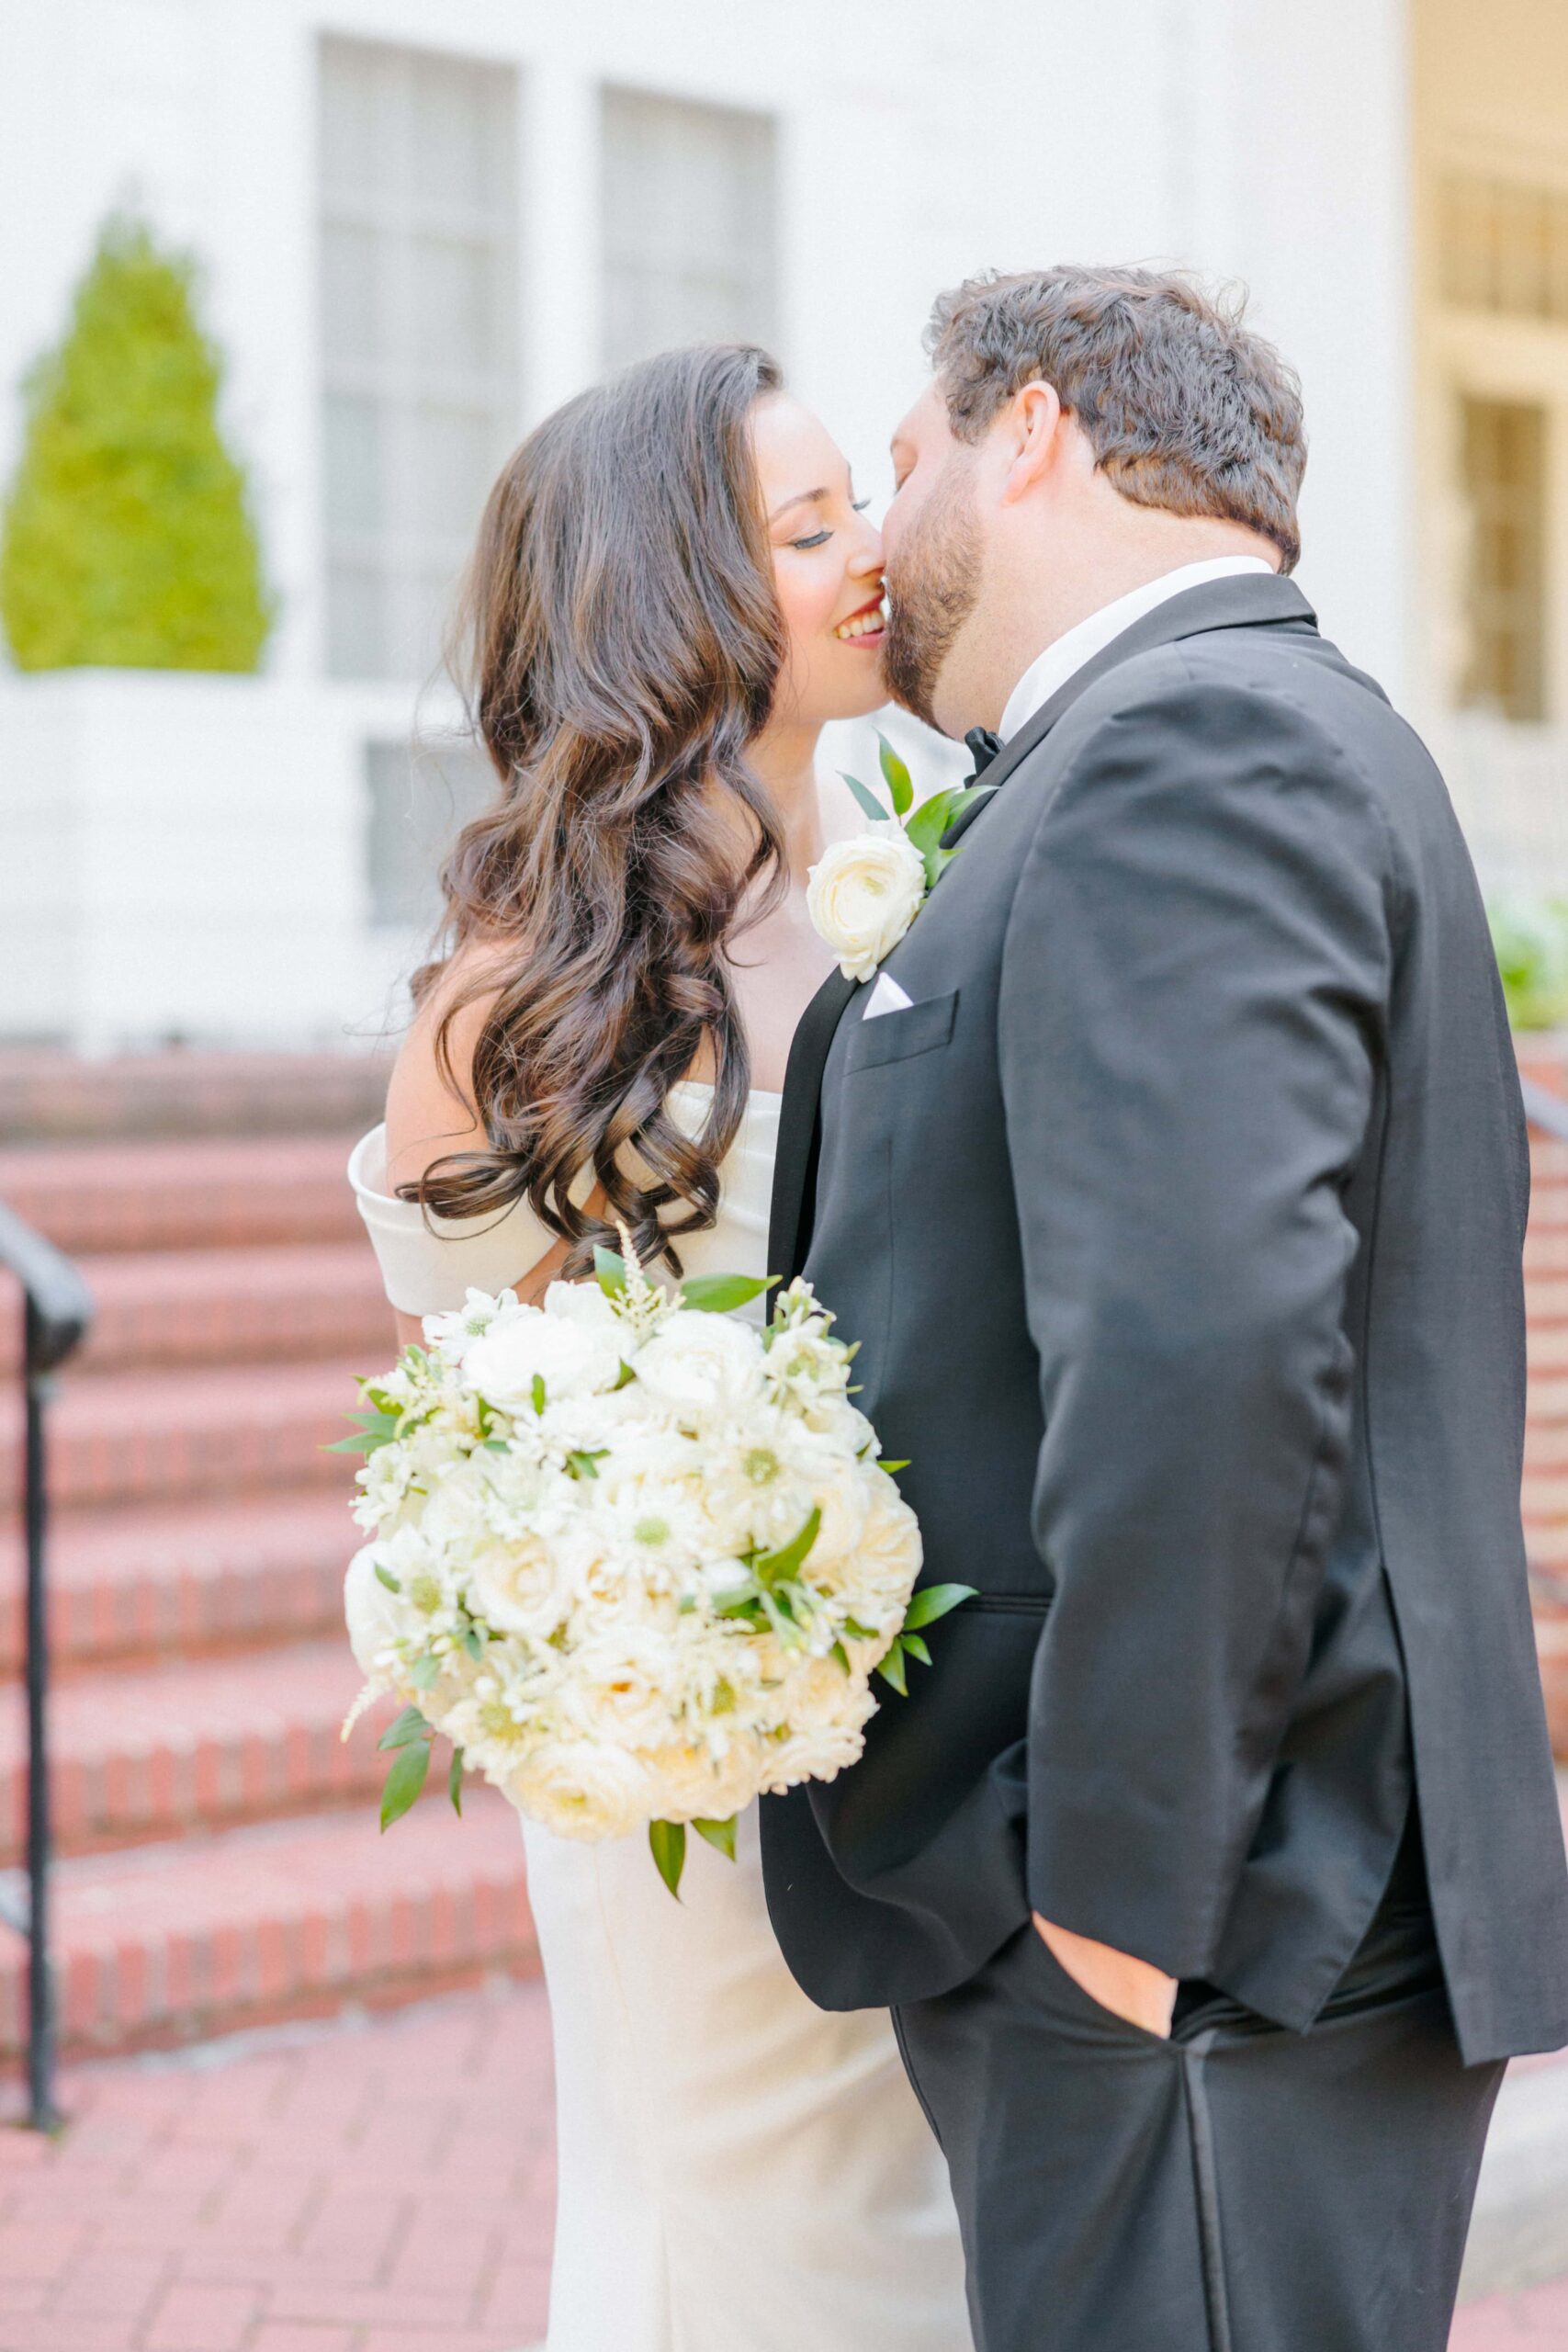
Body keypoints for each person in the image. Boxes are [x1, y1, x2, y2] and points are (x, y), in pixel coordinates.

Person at [760, 266, 1568, 2352]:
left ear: (1028, 429)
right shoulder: (1238, 729)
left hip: (1203, 1941)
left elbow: (1204, 1345)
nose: (885, 528)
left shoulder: (1186, 738)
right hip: (1230, 1925)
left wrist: (1117, 1909)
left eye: (908, 455)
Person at [348, 343, 971, 2352]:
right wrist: (668, 1617)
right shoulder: (512, 1008)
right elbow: (483, 1438)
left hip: (924, 1706)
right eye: (805, 531)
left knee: (918, 2233)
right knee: (755, 2238)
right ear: (670, 601)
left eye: (849, 507)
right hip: (689, 1746)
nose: (867, 554)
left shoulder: (923, 891)